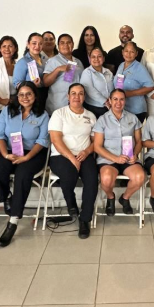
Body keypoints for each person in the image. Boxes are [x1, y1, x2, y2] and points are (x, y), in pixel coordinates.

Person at [0, 82, 50, 247]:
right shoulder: (7, 111)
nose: (25, 97)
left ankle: (13, 221)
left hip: (33, 153)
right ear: (17, 97)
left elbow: (42, 140)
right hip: (10, 150)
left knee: (22, 175)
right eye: (21, 94)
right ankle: (6, 197)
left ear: (35, 96)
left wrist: (27, 157)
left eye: (29, 94)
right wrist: (5, 154)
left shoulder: (43, 115)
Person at [47, 83, 98, 239]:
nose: (77, 96)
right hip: (61, 155)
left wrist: (86, 152)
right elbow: (55, 140)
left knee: (92, 180)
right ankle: (71, 205)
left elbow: (96, 141)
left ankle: (85, 219)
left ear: (84, 97)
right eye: (73, 93)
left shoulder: (91, 116)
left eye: (80, 93)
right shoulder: (59, 114)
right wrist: (71, 158)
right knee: (69, 174)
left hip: (84, 155)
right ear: (68, 96)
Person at [93, 89, 144, 216]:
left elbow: (139, 142)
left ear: (125, 101)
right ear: (110, 101)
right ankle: (110, 197)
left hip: (129, 158)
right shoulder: (102, 120)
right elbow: (97, 147)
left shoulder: (133, 118)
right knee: (106, 179)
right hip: (108, 159)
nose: (118, 102)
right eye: (115, 99)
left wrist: (135, 154)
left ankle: (125, 198)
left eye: (121, 99)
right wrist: (115, 158)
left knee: (140, 177)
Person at [43, 34, 85, 115]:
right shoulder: (53, 61)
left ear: (73, 44)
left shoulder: (78, 62)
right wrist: (58, 69)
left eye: (68, 42)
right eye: (62, 43)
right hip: (58, 105)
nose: (65, 45)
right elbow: (45, 82)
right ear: (58, 46)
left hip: (76, 105)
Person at [116, 41, 154, 123]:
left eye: (132, 52)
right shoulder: (121, 65)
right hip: (123, 108)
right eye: (126, 51)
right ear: (122, 52)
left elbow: (150, 86)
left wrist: (130, 93)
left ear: (136, 54)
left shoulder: (139, 68)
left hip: (136, 110)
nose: (128, 54)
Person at [80, 47, 114, 118]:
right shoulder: (87, 72)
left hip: (109, 106)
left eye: (99, 56)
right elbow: (90, 90)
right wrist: (105, 101)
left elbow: (113, 87)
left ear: (103, 58)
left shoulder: (108, 72)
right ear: (89, 59)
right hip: (93, 108)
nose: (96, 59)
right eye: (93, 57)